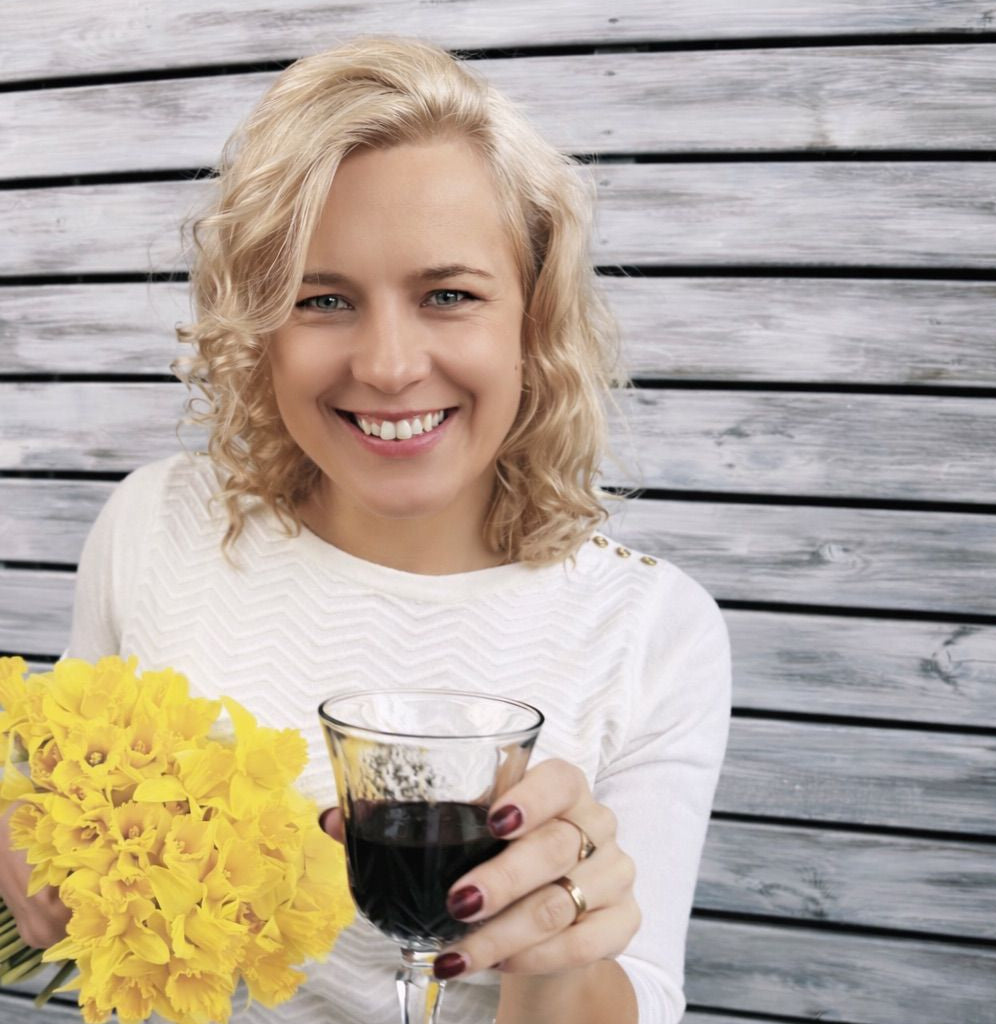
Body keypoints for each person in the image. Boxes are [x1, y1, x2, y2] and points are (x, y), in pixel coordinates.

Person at [0, 36, 731, 1024]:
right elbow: (46, 794)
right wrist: (29, 832)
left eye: (448, 296)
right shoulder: (152, 523)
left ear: (533, 316)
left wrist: (555, 956)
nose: (388, 366)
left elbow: (636, 995)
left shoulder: (652, 631)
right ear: (258, 325)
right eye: (324, 299)